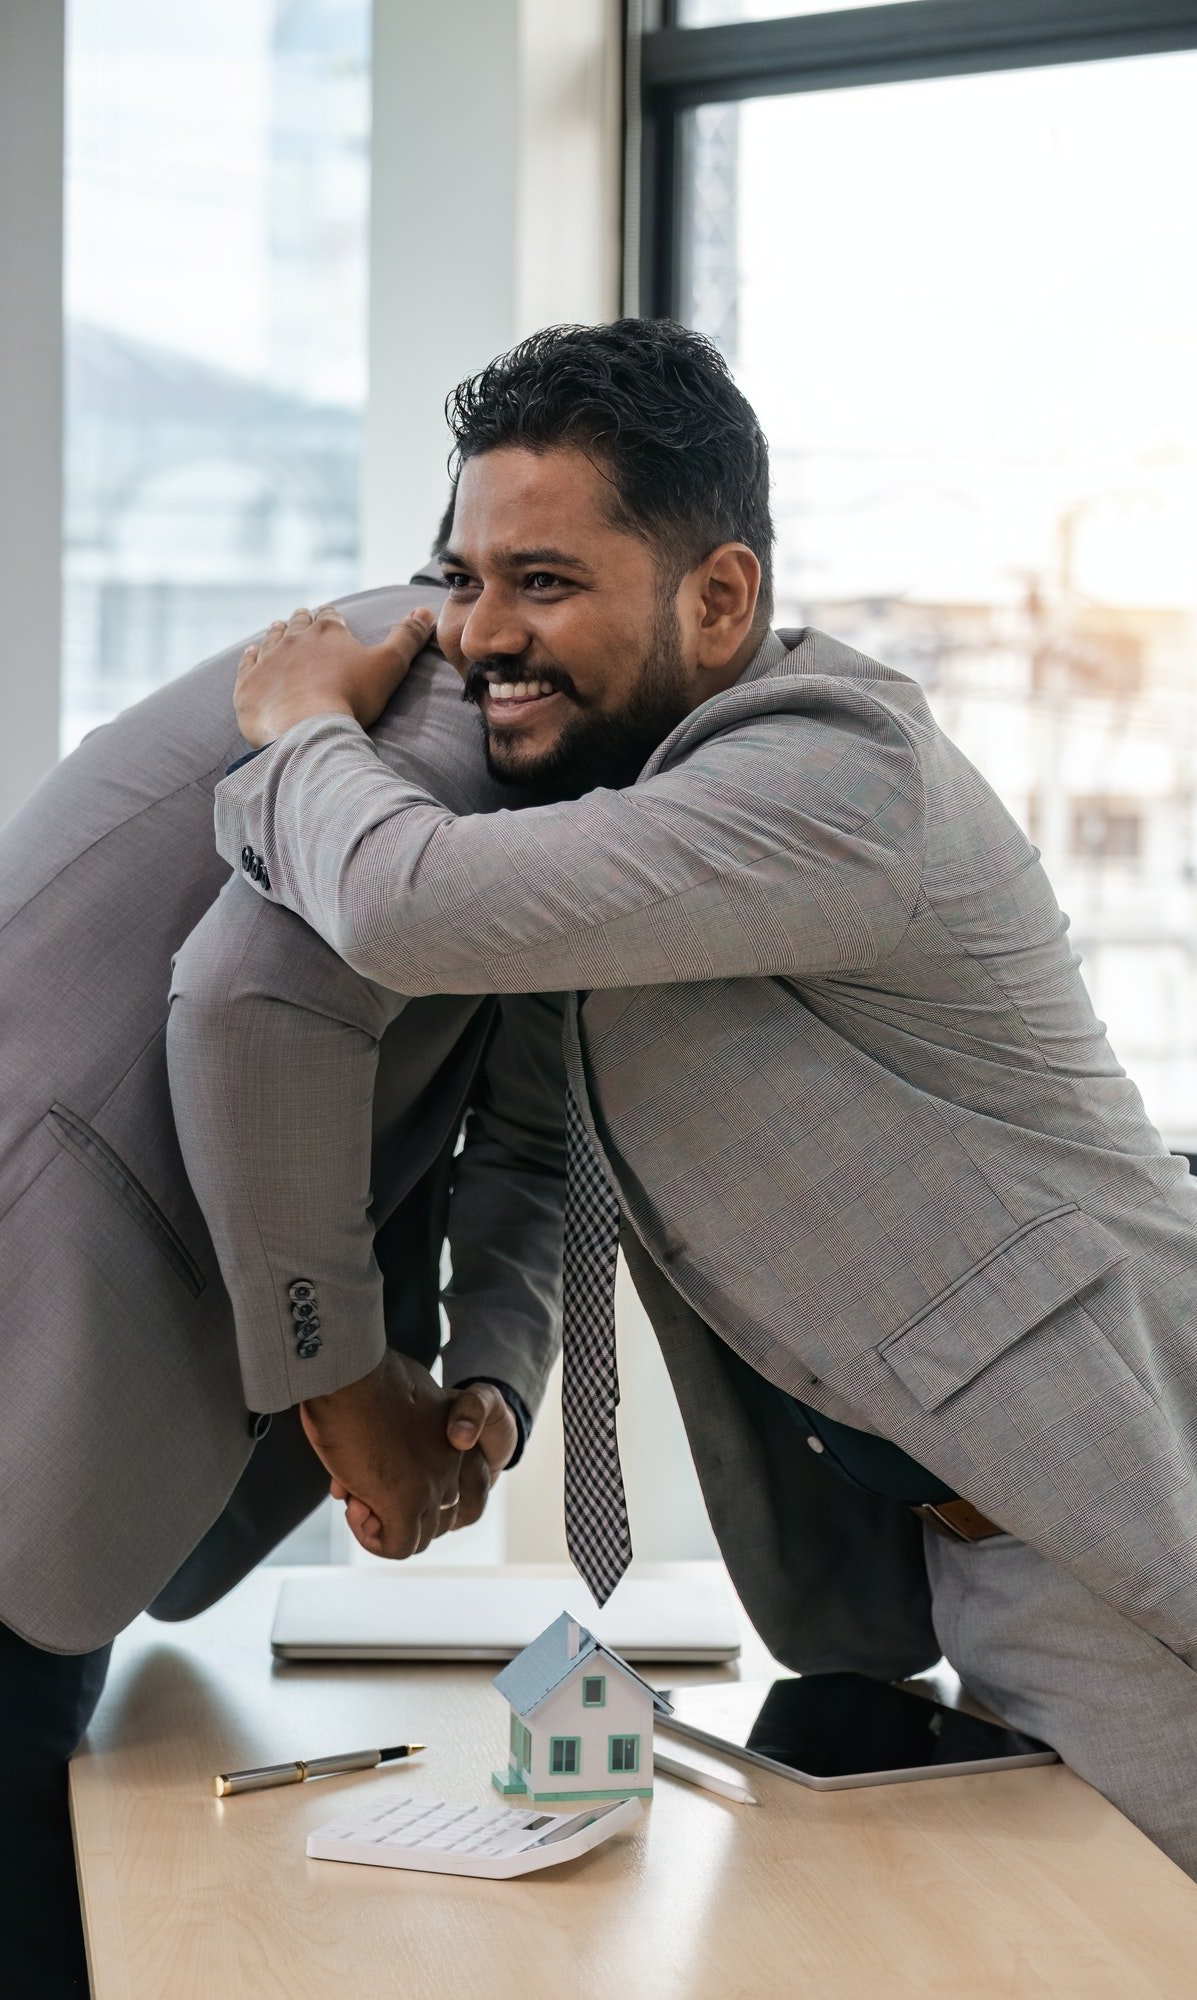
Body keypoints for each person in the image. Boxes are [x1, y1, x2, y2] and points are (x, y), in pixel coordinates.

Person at [218, 317, 1197, 1878]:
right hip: (959, 1558)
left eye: (543, 582)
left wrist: (302, 736)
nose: (477, 635)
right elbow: (540, 1146)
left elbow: (405, 903)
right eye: (461, 578)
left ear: (718, 597)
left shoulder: (831, 775)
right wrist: (489, 1383)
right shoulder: (622, 828)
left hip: (1112, 1509)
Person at [0, 563, 566, 1997]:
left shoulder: (566, 784)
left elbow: (534, 1120)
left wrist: (488, 1380)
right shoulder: (439, 714)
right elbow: (255, 1007)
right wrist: (347, 1382)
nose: (499, 621)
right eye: (504, 570)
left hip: (22, 1415)